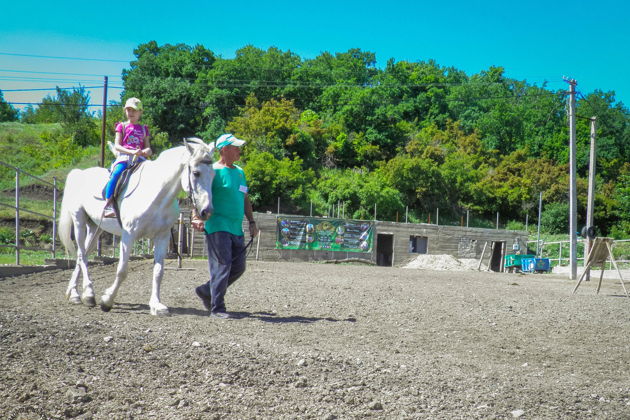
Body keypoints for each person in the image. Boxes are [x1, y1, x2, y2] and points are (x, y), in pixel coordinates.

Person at [192, 134, 259, 319]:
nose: (239, 150)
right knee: (222, 266)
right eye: (235, 147)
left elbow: (245, 198)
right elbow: (199, 193)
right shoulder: (212, 170)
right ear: (224, 149)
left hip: (236, 227)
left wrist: (252, 222)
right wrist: (195, 216)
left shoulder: (240, 172)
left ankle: (206, 290)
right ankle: (217, 308)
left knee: (239, 267)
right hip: (217, 225)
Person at [103, 97, 152, 217]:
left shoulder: (144, 129)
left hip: (140, 159)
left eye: (134, 110)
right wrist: (131, 152)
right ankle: (108, 204)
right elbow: (118, 146)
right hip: (125, 157)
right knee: (116, 173)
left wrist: (143, 152)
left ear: (140, 112)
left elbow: (149, 149)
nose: (130, 113)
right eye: (128, 110)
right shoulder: (122, 126)